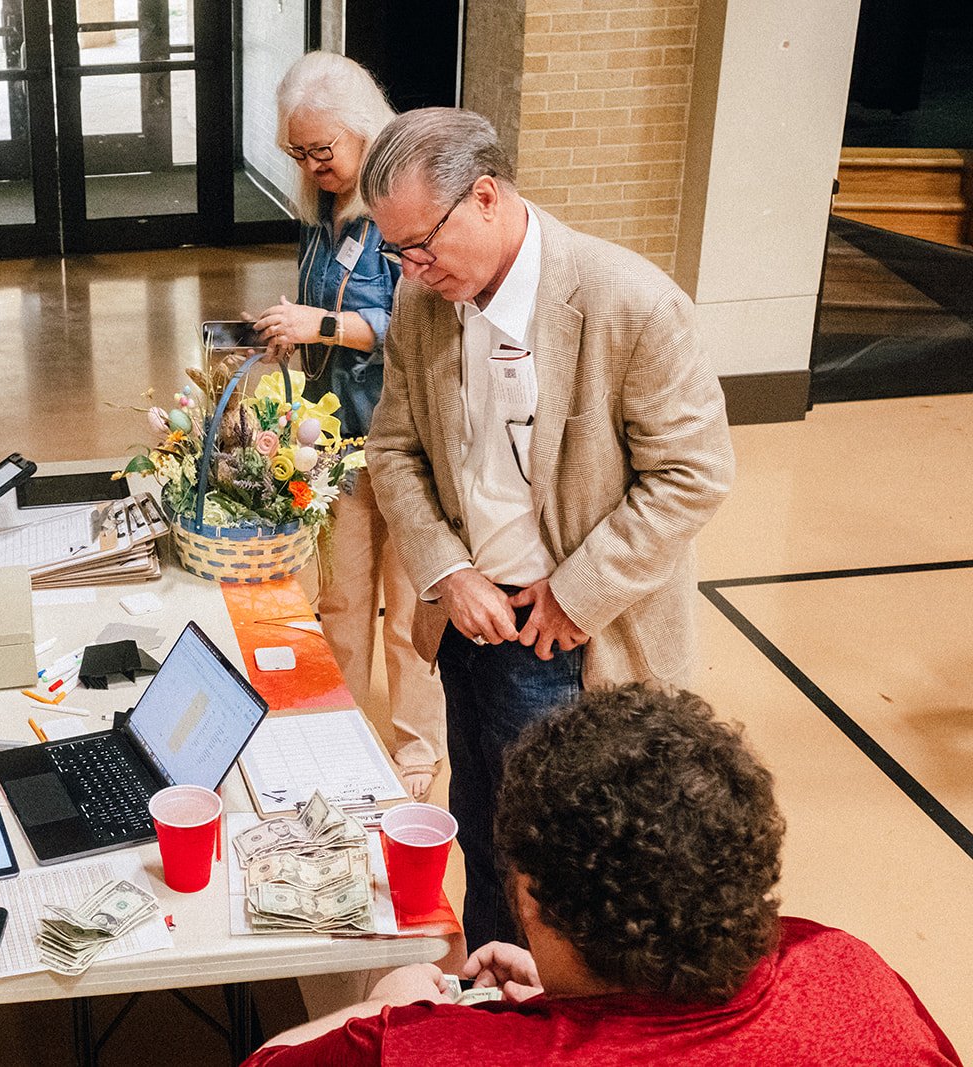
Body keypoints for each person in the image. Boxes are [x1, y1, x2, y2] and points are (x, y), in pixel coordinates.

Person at [359, 108, 735, 948]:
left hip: (571, 642)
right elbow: (392, 447)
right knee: (486, 841)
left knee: (570, 883)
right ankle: (498, 1010)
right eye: (396, 252)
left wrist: (574, 593)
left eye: (421, 244)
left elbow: (694, 473)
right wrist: (447, 570)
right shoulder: (424, 305)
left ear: (485, 197)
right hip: (468, 619)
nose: (411, 269)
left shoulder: (629, 304)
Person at [243, 685, 963, 1065]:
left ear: (527, 895)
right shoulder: (849, 968)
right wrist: (569, 997)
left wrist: (379, 1008)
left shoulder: (416, 1049)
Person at [252, 52, 447, 799]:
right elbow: (327, 319)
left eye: (321, 150)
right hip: (337, 442)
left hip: (407, 441)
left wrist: (325, 323)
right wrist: (294, 335)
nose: (310, 164)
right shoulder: (321, 213)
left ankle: (418, 742)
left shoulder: (402, 210)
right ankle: (334, 726)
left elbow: (413, 328)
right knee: (336, 594)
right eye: (297, 152)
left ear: (364, 131)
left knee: (408, 607)